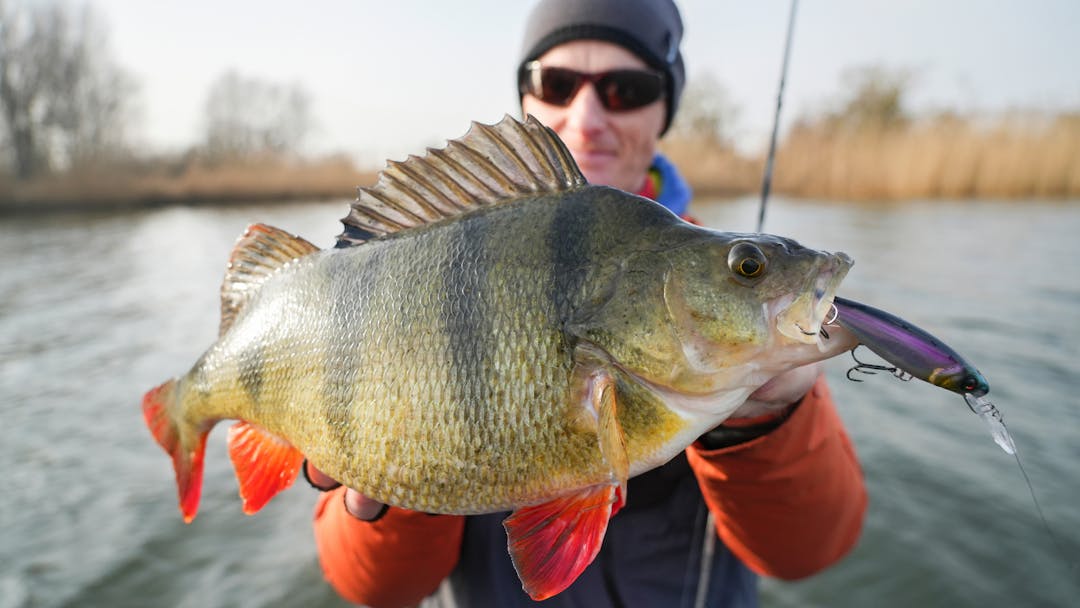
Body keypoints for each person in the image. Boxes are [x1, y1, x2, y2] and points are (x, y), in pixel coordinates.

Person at [307, 1, 867, 606]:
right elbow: (376, 591)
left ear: (664, 110)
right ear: (525, 97)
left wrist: (769, 423)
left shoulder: (738, 322)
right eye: (558, 84)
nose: (587, 115)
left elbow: (808, 552)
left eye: (627, 89)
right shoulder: (412, 280)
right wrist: (397, 491)